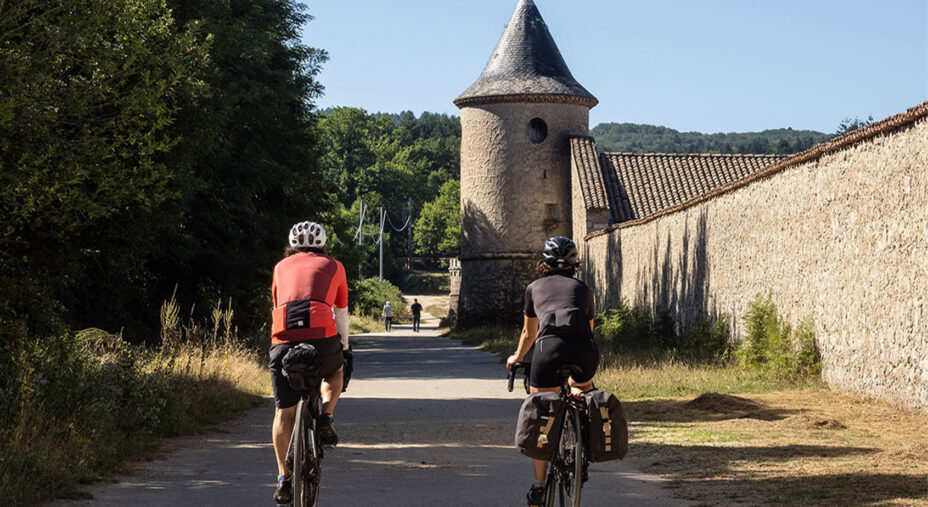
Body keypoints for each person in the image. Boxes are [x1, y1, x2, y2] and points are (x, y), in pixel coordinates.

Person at [506, 236, 600, 507]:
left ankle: (538, 486)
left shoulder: (534, 288)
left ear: (543, 263)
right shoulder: (584, 289)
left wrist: (517, 357)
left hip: (548, 351)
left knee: (543, 409)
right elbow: (589, 330)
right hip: (584, 350)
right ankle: (580, 448)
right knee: (581, 389)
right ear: (574, 264)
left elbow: (529, 332)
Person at [269, 221, 350, 505]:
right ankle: (326, 415)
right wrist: (345, 347)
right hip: (322, 338)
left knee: (283, 412)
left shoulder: (280, 267)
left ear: (291, 246)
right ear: (323, 246)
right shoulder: (335, 266)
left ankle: (283, 478)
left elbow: (278, 304)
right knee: (335, 370)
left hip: (283, 341)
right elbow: (340, 314)